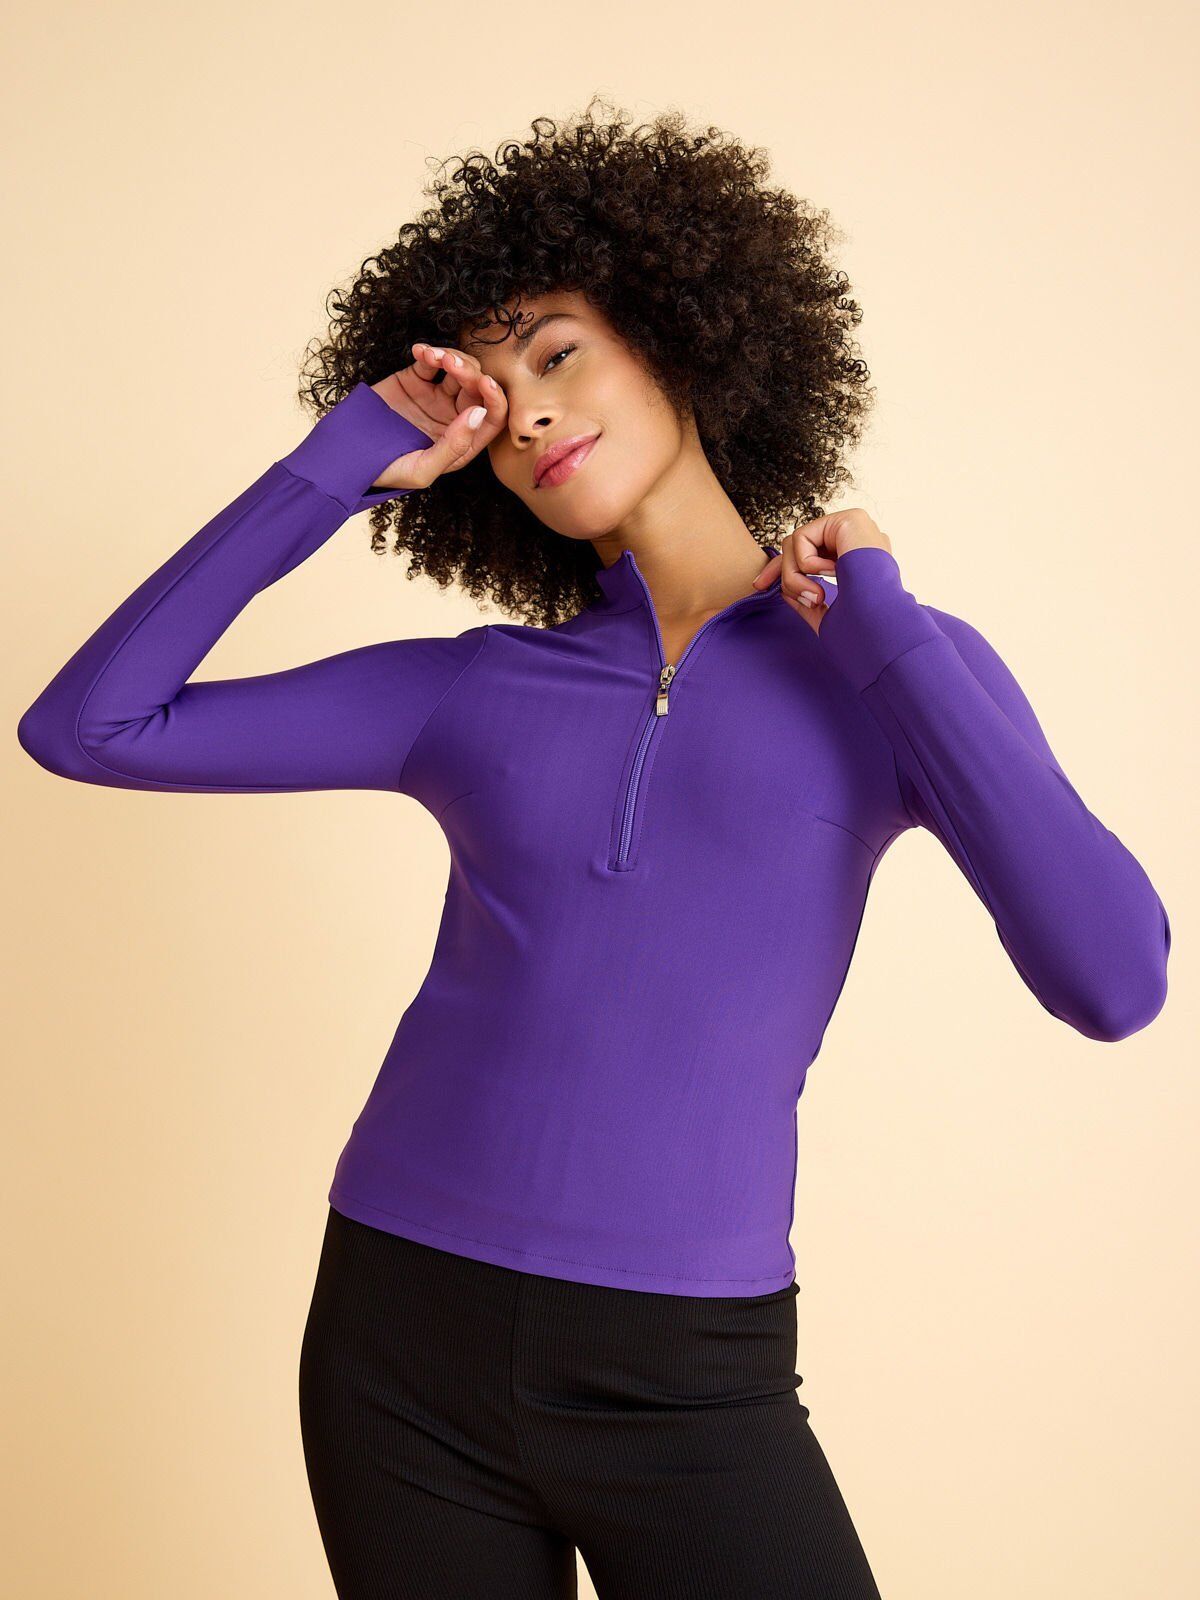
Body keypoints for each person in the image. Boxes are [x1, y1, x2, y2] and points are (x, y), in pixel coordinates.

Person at [16, 101, 1170, 1599]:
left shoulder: (894, 667)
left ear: (680, 342)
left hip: (688, 1375)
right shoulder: (478, 689)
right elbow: (88, 727)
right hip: (398, 1343)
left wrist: (889, 639)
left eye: (558, 355)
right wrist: (343, 460)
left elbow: (1112, 979)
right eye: (491, 400)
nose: (530, 415)